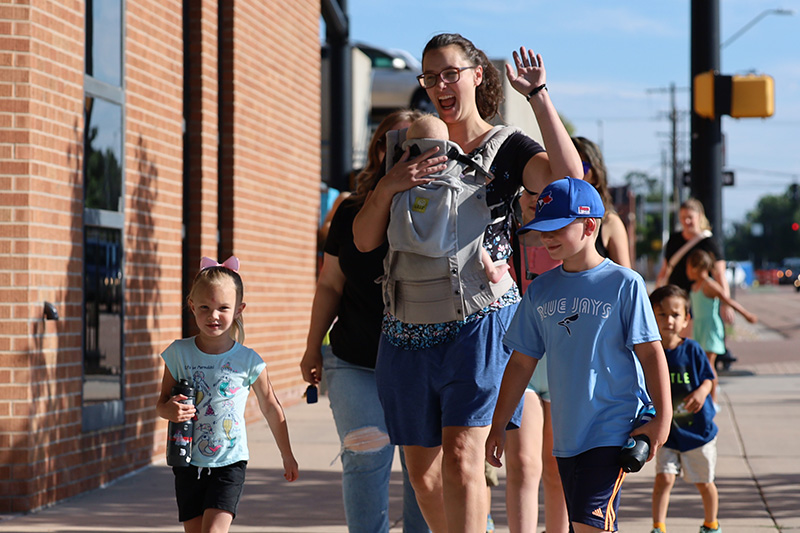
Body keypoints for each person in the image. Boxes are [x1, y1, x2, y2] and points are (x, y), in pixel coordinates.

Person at [353, 33, 583, 532]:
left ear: (477, 75)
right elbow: (365, 240)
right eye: (430, 76)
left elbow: (569, 180)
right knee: (424, 477)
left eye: (450, 72)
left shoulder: (507, 147)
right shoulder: (409, 144)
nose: (440, 85)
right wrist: (393, 182)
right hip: (406, 327)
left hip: (481, 323)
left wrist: (539, 97)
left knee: (462, 458)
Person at [487, 177, 672, 532]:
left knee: (590, 524)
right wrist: (498, 424)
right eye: (542, 229)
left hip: (612, 429)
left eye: (557, 227)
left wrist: (663, 418)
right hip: (568, 435)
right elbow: (522, 361)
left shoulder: (624, 283)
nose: (547, 237)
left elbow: (651, 354)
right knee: (584, 524)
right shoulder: (540, 290)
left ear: (589, 226)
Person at [300, 109, 430, 533]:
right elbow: (330, 284)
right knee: (366, 454)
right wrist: (311, 345)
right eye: (393, 144)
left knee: (423, 475)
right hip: (356, 359)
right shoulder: (350, 210)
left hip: (422, 366)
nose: (403, 153)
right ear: (378, 149)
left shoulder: (443, 208)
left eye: (414, 144)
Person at [157, 256, 298, 533]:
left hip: (229, 462)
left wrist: (287, 454)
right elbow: (161, 404)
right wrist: (169, 410)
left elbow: (271, 406)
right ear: (191, 306)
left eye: (223, 308)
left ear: (238, 309)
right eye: (205, 307)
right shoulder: (178, 353)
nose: (213, 315)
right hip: (185, 460)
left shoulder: (249, 361)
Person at [503, 186, 569, 533]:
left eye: (543, 190)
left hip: (561, 362)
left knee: (557, 465)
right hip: (520, 361)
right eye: (529, 190)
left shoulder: (566, 242)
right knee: (524, 463)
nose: (535, 197)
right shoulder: (502, 237)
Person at [648, 285, 722, 533]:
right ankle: (658, 527)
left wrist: (702, 392)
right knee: (664, 479)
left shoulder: (692, 349)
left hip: (698, 431)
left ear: (686, 319)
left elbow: (709, 378)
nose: (668, 320)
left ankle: (711, 524)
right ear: (650, 316)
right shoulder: (648, 352)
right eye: (661, 314)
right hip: (668, 433)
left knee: (704, 482)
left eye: (675, 314)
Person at [404, 113, 510, 284]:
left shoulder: (405, 169)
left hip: (416, 223)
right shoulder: (448, 164)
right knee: (473, 238)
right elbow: (472, 179)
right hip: (449, 222)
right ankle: (491, 270)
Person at [686, 249, 758, 403]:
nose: (687, 271)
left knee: (709, 364)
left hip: (710, 328)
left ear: (697, 267)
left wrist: (746, 315)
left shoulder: (709, 285)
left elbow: (728, 300)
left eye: (688, 267)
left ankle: (713, 400)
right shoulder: (694, 287)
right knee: (702, 363)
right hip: (699, 327)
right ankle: (707, 396)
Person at [656, 199, 734, 324]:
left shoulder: (709, 243)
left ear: (699, 216)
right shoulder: (674, 240)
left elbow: (720, 274)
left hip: (700, 300)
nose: (686, 221)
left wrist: (726, 304)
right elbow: (665, 270)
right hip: (676, 298)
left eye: (690, 217)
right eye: (683, 217)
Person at [572, 136, 631, 268]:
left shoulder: (610, 222)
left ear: (596, 174)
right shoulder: (543, 216)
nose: (572, 172)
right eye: (565, 164)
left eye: (581, 166)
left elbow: (625, 279)